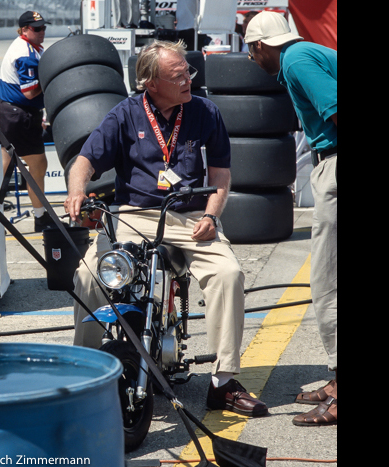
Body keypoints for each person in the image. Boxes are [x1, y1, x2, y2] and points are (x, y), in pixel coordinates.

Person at [65, 40, 268, 418]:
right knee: (89, 277)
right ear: (150, 83)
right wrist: (77, 191)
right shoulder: (124, 114)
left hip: (192, 217)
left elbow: (220, 175)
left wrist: (211, 215)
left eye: (188, 72)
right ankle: (86, 373)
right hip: (136, 215)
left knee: (229, 274)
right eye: (178, 76)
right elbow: (84, 161)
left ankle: (223, 382)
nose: (189, 80)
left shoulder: (205, 111)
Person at [245, 11, 337, 426]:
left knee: (329, 283)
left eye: (251, 52)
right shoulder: (305, 53)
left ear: (260, 47)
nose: (251, 62)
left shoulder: (297, 61)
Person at [0, 11, 55, 232]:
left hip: (17, 113)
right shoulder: (26, 53)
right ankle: (39, 217)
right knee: (37, 165)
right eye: (36, 28)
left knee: (8, 166)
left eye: (43, 28)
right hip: (18, 115)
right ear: (24, 30)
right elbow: (31, 92)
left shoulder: (29, 47)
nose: (42, 32)